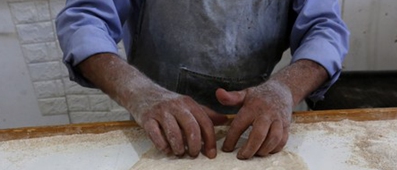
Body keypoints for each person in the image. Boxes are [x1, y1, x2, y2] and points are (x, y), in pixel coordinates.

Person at [56, 0, 349, 160]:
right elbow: (84, 20)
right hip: (160, 129)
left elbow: (324, 29)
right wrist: (140, 94)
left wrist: (284, 89)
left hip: (258, 128)